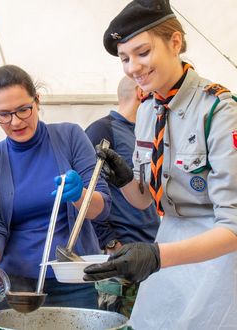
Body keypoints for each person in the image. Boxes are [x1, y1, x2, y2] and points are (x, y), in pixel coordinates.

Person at [83, 0, 237, 329]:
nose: (132, 67)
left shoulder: (219, 111)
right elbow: (144, 200)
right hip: (170, 257)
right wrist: (125, 179)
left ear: (175, 42)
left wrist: (156, 256)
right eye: (125, 58)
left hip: (220, 263)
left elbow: (233, 227)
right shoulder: (149, 109)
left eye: (142, 52)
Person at [0, 64, 112, 309]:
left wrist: (80, 196)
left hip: (73, 283)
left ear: (37, 101)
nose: (15, 122)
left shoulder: (70, 137)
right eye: (3, 115)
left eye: (23, 109)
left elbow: (102, 208)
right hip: (15, 288)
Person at [85, 76, 159, 317]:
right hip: (123, 257)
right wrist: (111, 243)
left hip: (155, 253)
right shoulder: (103, 130)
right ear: (141, 91)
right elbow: (88, 194)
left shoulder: (151, 132)